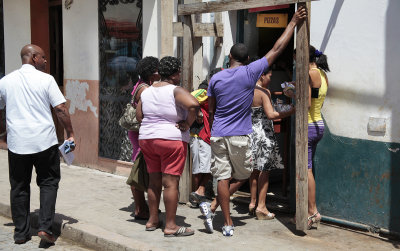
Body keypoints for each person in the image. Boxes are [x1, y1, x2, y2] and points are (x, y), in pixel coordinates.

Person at [199, 7, 307, 236]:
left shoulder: (215, 78)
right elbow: (277, 48)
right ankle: (221, 213)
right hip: (239, 135)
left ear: (229, 57)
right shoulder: (250, 72)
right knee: (247, 174)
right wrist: (293, 22)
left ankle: (225, 220)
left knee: (223, 176)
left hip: (218, 133)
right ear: (248, 60)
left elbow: (211, 109)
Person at [0, 44, 75, 244]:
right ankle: (45, 228)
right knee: (49, 183)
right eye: (42, 57)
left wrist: (6, 130)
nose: (45, 60)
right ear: (33, 57)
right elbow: (60, 109)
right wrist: (70, 133)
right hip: (44, 142)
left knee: (19, 186)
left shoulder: (5, 81)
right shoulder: (47, 80)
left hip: (17, 144)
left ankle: (21, 233)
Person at [136, 56, 199, 237]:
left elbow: (140, 116)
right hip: (171, 140)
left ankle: (152, 220)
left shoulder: (146, 91)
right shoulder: (175, 90)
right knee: (171, 183)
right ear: (175, 73)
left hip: (147, 139)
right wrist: (187, 123)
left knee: (154, 181)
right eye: (179, 71)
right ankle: (171, 225)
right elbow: (194, 104)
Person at [248, 68, 295, 220]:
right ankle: (261, 206)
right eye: (269, 76)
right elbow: (271, 114)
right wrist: (291, 111)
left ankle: (252, 202)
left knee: (254, 170)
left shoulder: (247, 90)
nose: (270, 79)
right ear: (262, 75)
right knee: (265, 170)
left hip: (250, 132)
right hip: (263, 134)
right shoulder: (264, 92)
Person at [126, 56, 160, 220]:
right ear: (153, 73)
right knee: (138, 171)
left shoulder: (139, 85)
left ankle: (143, 206)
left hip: (137, 132)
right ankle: (140, 208)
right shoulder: (145, 89)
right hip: (140, 133)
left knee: (139, 169)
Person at [189, 68, 223, 207]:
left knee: (205, 167)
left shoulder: (211, 90)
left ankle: (198, 194)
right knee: (203, 168)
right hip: (200, 134)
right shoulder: (204, 90)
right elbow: (189, 98)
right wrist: (197, 111)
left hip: (205, 134)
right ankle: (197, 195)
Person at [306, 46, 330, 229]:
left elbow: (306, 102)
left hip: (308, 125)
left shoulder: (310, 73)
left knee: (306, 171)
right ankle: (310, 211)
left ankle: (312, 211)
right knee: (308, 168)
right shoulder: (322, 74)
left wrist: (292, 94)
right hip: (318, 124)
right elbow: (316, 101)